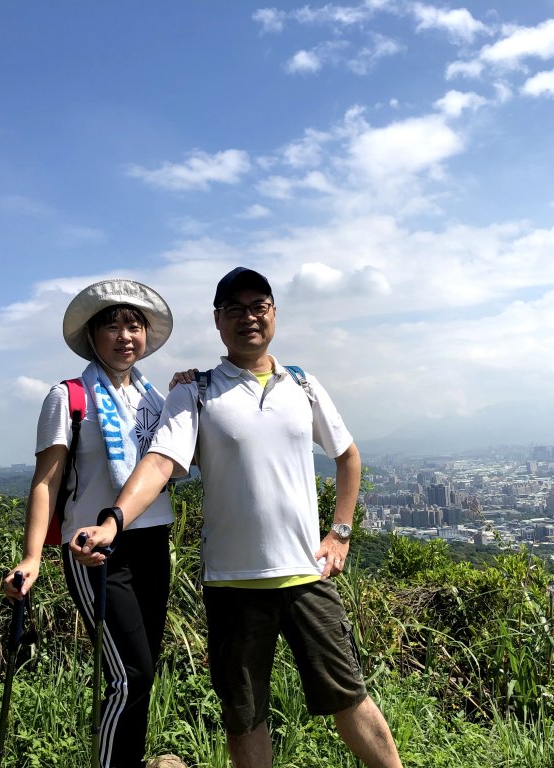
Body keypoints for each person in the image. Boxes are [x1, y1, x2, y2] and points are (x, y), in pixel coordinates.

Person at [72, 267, 403, 768]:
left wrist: (340, 532)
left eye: (258, 306)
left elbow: (348, 455)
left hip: (305, 573)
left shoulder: (303, 383)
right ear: (217, 321)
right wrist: (113, 520)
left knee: (349, 696)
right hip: (231, 582)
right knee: (245, 715)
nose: (248, 317)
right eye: (235, 309)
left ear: (273, 314)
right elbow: (160, 462)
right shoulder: (196, 391)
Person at [4, 278, 176, 768]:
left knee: (142, 671)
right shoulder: (69, 397)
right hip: (93, 549)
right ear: (92, 336)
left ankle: (129, 758)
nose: (126, 335)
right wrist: (33, 556)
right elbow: (47, 481)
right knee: (131, 675)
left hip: (152, 540)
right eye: (113, 325)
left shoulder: (155, 401)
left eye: (134, 325)